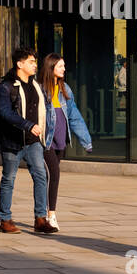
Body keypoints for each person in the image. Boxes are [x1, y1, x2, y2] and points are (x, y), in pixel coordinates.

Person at [0, 47, 55, 234]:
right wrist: (28, 125)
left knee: (40, 176)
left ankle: (40, 219)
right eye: (31, 62)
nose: (35, 65)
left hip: (33, 140)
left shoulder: (35, 85)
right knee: (9, 178)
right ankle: (5, 219)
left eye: (35, 61)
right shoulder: (7, 86)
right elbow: (5, 113)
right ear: (20, 64)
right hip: (12, 141)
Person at [40, 53, 94, 231]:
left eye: (64, 66)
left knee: (49, 177)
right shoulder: (41, 90)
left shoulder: (65, 89)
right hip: (46, 141)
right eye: (60, 66)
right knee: (53, 174)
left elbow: (74, 116)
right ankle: (50, 215)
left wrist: (86, 141)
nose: (64, 69)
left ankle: (42, 214)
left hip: (60, 140)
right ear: (51, 68)